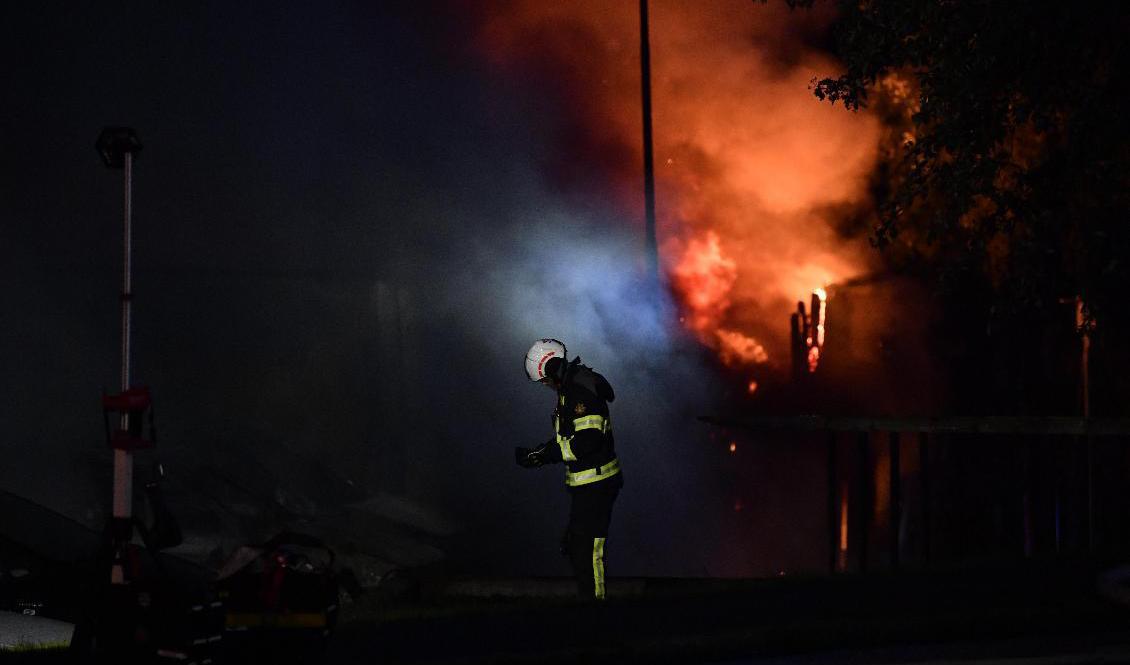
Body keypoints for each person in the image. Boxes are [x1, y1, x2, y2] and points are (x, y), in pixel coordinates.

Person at [516, 338, 623, 600]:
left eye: (544, 379)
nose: (545, 385)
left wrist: (545, 455)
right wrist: (541, 453)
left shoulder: (578, 392)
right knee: (578, 546)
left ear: (550, 368)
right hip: (589, 485)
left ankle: (596, 614)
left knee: (588, 551)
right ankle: (591, 606)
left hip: (596, 484)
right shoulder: (573, 387)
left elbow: (588, 440)